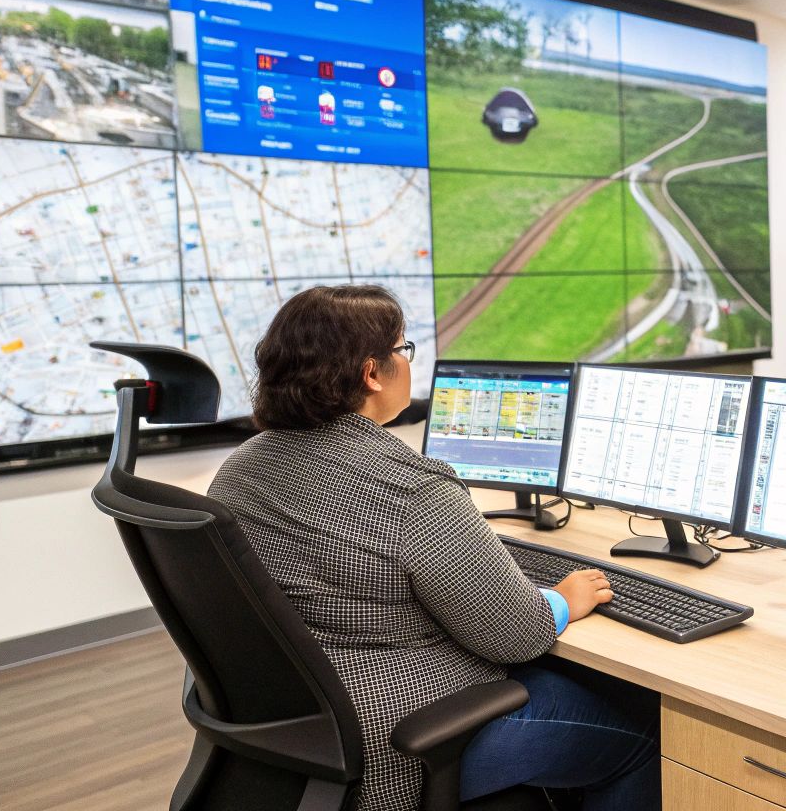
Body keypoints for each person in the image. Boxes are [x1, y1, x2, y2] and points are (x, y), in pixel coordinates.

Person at [207, 284, 659, 811]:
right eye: (404, 349)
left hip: (297, 730)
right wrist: (562, 597)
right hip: (401, 741)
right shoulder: (413, 488)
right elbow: (516, 636)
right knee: (646, 736)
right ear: (372, 373)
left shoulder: (242, 466)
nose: (408, 362)